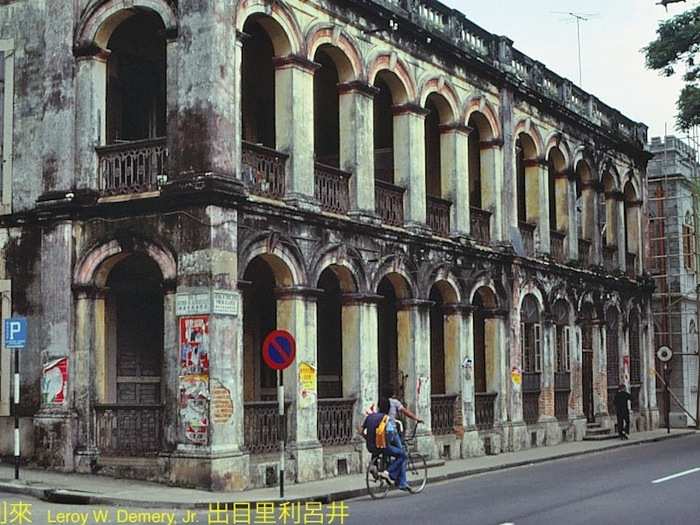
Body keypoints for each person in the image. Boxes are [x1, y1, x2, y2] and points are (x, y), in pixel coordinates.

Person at [359, 397, 409, 491]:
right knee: (402, 455)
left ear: (378, 407)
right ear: (389, 409)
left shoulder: (369, 417)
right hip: (382, 446)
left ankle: (374, 466)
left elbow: (361, 431)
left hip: (370, 446)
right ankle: (388, 472)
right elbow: (390, 434)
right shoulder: (386, 418)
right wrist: (390, 441)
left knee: (377, 449)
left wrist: (367, 438)